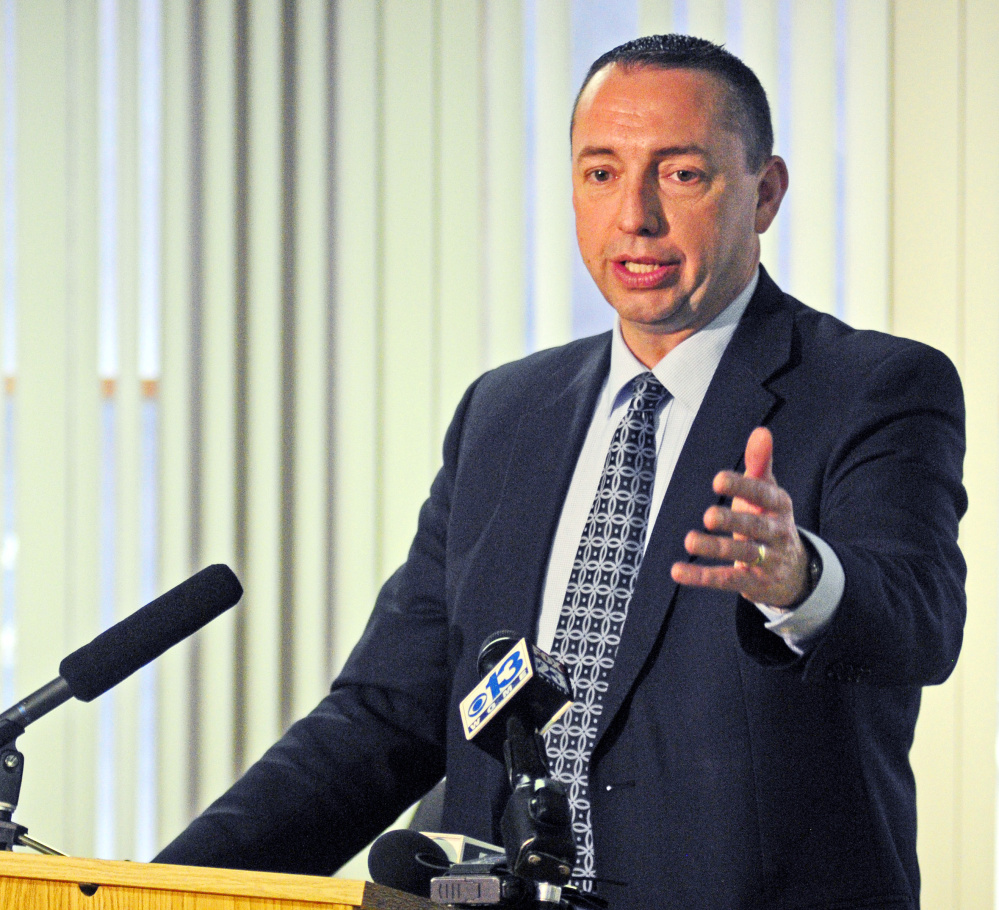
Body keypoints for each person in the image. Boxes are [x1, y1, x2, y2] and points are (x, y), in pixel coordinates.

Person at [154, 34, 966, 910]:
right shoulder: (505, 413)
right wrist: (149, 890)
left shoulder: (872, 387)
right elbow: (387, 715)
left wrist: (800, 579)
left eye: (680, 174)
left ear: (764, 193)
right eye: (600, 173)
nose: (634, 218)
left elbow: (918, 622)